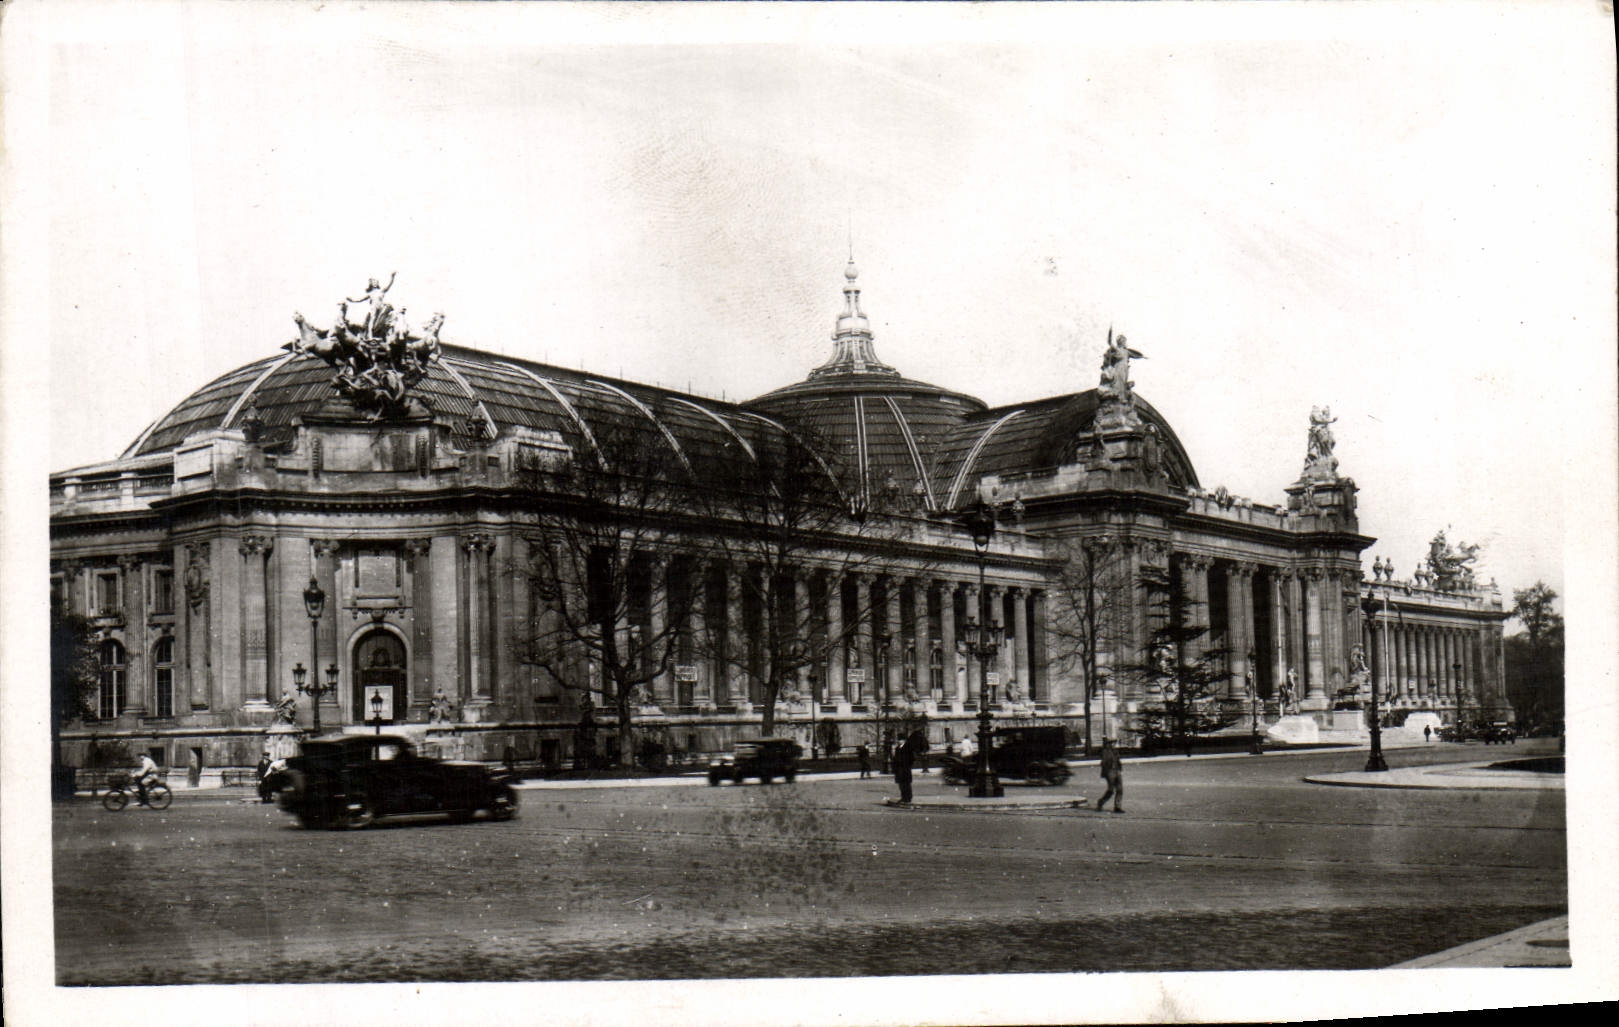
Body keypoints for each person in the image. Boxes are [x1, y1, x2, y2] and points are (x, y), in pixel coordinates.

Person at [891, 730, 926, 804]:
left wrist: (907, 764)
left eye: (900, 740)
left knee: (906, 784)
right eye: (898, 740)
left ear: (904, 740)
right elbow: (895, 758)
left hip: (905, 769)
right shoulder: (897, 748)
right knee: (901, 784)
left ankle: (908, 798)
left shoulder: (908, 747)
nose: (899, 741)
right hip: (899, 769)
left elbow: (912, 758)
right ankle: (903, 797)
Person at [1095, 738, 1124, 814]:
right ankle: (1101, 802)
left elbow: (1118, 760)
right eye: (1110, 743)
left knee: (1120, 789)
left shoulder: (1115, 751)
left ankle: (1117, 807)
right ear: (1107, 744)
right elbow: (1103, 762)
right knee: (1111, 790)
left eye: (1113, 743)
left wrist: (1119, 768)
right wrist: (1106, 771)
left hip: (1117, 770)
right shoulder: (1104, 751)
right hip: (1109, 771)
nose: (1112, 744)